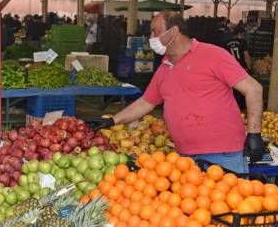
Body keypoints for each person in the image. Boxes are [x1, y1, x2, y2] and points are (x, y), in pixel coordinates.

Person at [90, 11, 264, 173]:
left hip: (223, 154)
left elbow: (253, 89)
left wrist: (255, 134)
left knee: (227, 205)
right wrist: (112, 121)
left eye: (155, 32)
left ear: (173, 31)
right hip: (185, 157)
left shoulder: (213, 55)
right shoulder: (165, 67)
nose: (151, 38)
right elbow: (145, 103)